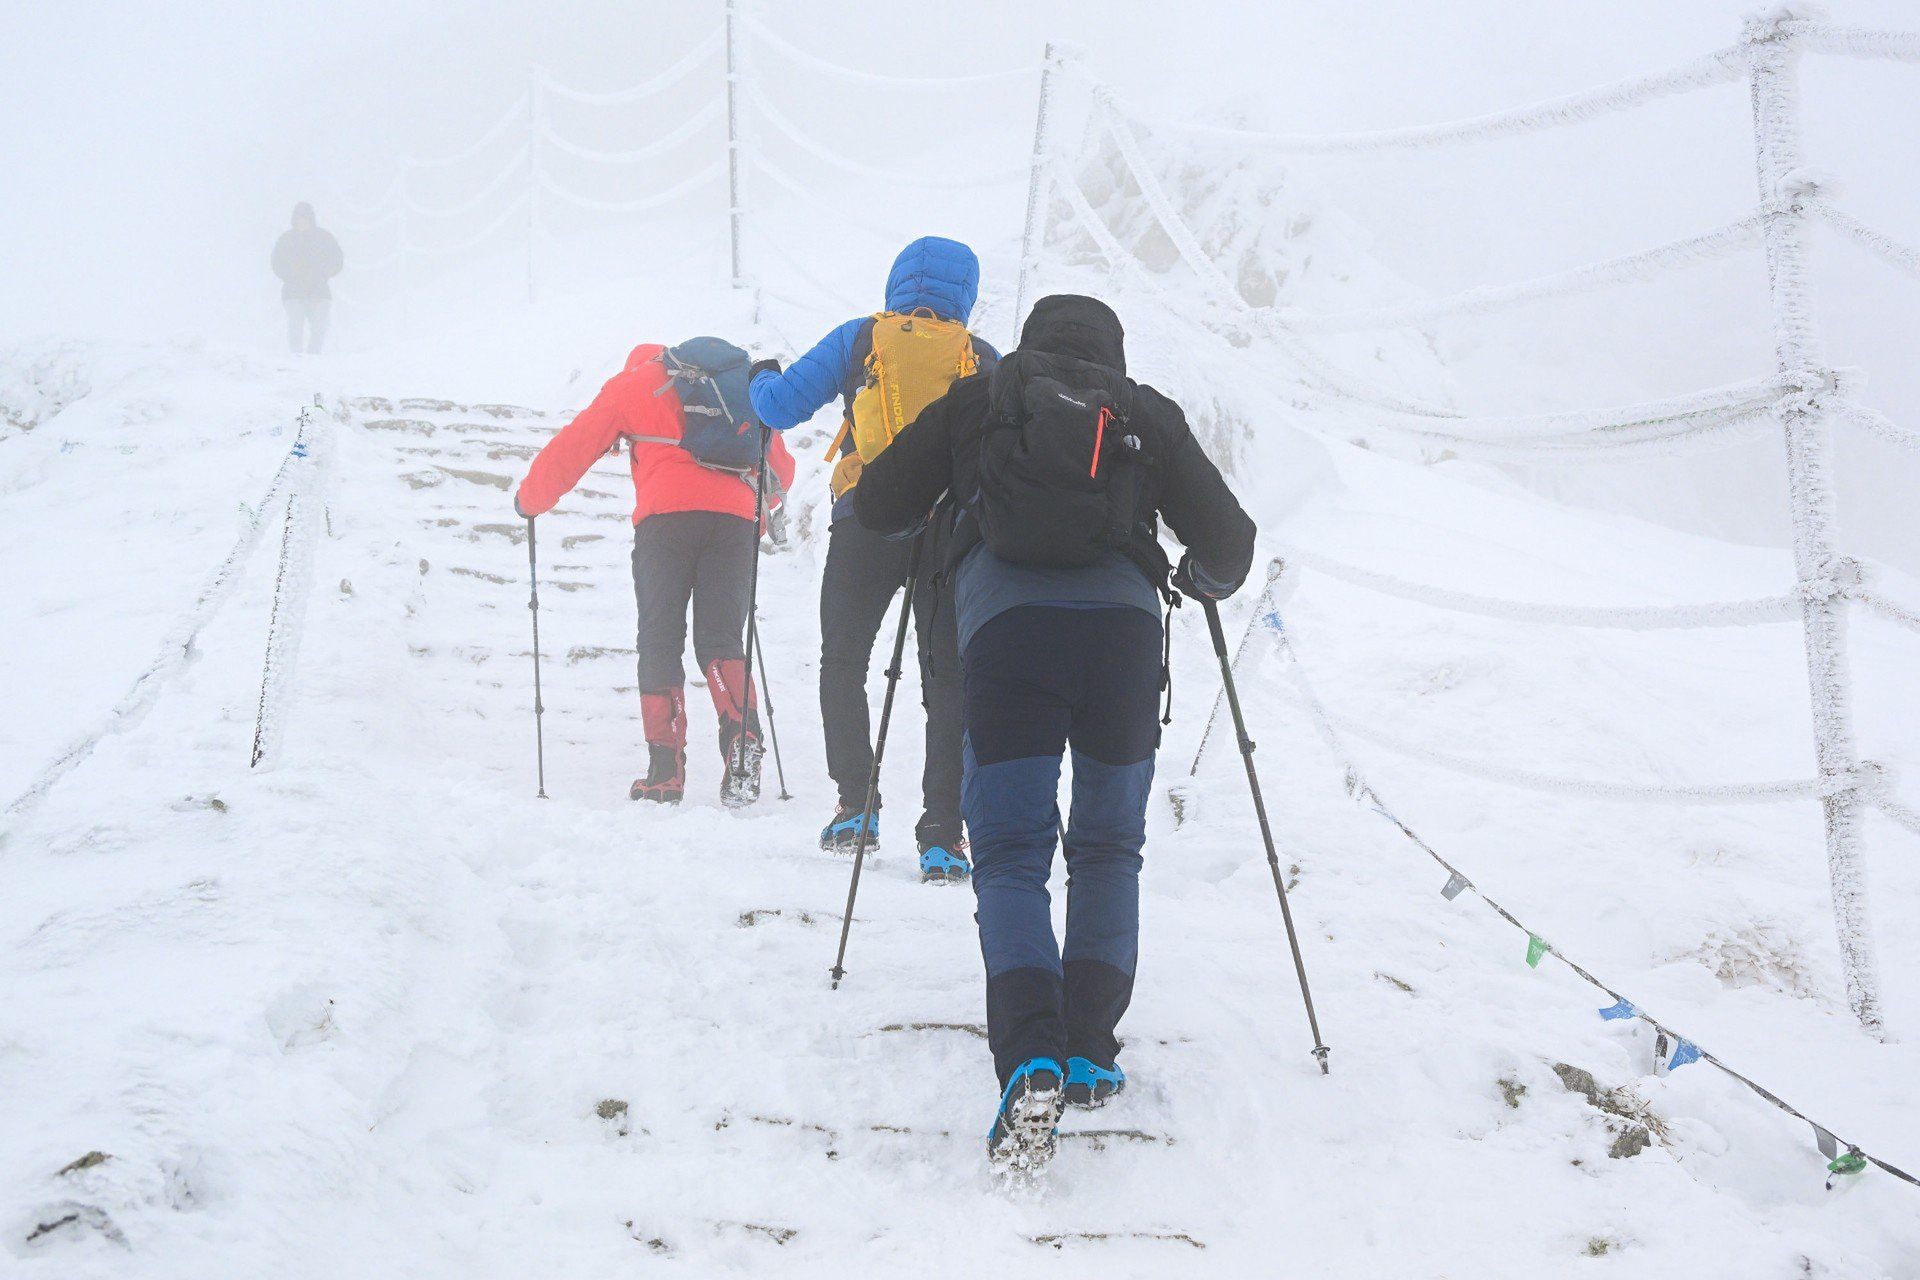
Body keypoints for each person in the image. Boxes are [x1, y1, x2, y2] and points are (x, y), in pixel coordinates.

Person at [853, 294, 1256, 1171]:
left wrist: (940, 504)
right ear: (1113, 350)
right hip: (1119, 639)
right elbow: (1230, 542)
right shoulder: (1142, 411)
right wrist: (1198, 575)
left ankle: (1029, 1053)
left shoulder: (982, 399)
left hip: (1007, 636)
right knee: (1110, 847)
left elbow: (879, 502)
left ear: (1031, 345)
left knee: (1009, 851)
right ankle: (1086, 1049)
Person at [748, 236, 997, 884]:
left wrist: (759, 379)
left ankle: (855, 807)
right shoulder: (980, 360)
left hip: (866, 519)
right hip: (951, 530)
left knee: (844, 660)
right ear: (964, 295)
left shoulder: (862, 339)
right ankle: (944, 835)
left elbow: (779, 406)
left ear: (896, 283)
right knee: (948, 682)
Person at [514, 338, 795, 807]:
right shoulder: (734, 388)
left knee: (660, 639)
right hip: (733, 525)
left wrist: (530, 500)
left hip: (664, 527)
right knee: (722, 638)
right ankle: (742, 737)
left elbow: (574, 446)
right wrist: (756, 515)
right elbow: (779, 465)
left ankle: (665, 770)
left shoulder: (636, 384)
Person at [271, 203, 343, 354]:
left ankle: (313, 355)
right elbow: (276, 263)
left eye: (305, 219)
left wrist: (322, 275)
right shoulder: (286, 240)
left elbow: (337, 260)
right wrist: (292, 277)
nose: (302, 222)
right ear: (294, 220)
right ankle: (296, 356)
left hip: (319, 291)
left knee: (320, 327)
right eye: (299, 219)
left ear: (312, 219)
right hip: (293, 292)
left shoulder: (324, 238)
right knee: (295, 325)